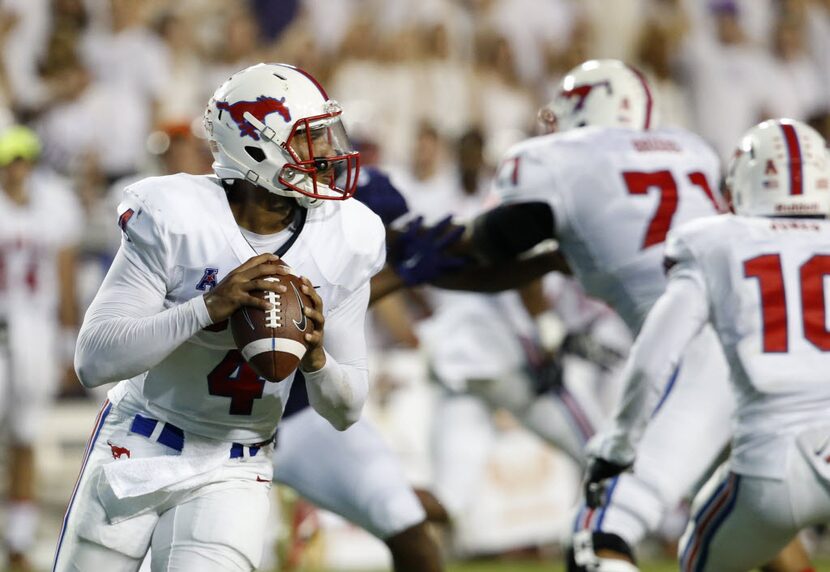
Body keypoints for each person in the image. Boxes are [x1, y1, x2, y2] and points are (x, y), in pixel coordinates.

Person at [462, 59, 808, 571]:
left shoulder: (556, 157)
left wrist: (428, 248)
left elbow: (487, 246)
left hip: (696, 345)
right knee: (752, 510)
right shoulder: (692, 147)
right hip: (773, 337)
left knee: (596, 534)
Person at [54, 63, 384, 572]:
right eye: (309, 138)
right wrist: (207, 308)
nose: (326, 153)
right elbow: (94, 361)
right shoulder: (175, 216)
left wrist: (317, 359)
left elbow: (346, 409)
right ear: (256, 149)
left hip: (236, 464)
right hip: (141, 440)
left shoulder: (348, 237)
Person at [583, 118, 830, 572]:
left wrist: (619, 444)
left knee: (696, 557)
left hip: (772, 466)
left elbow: (654, 357)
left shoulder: (714, 241)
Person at [0, 125, 83, 571]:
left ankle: (17, 541)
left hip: (33, 331)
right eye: (10, 160)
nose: (16, 169)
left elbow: (66, 276)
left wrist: (68, 340)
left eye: (22, 159)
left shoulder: (53, 203)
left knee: (26, 436)